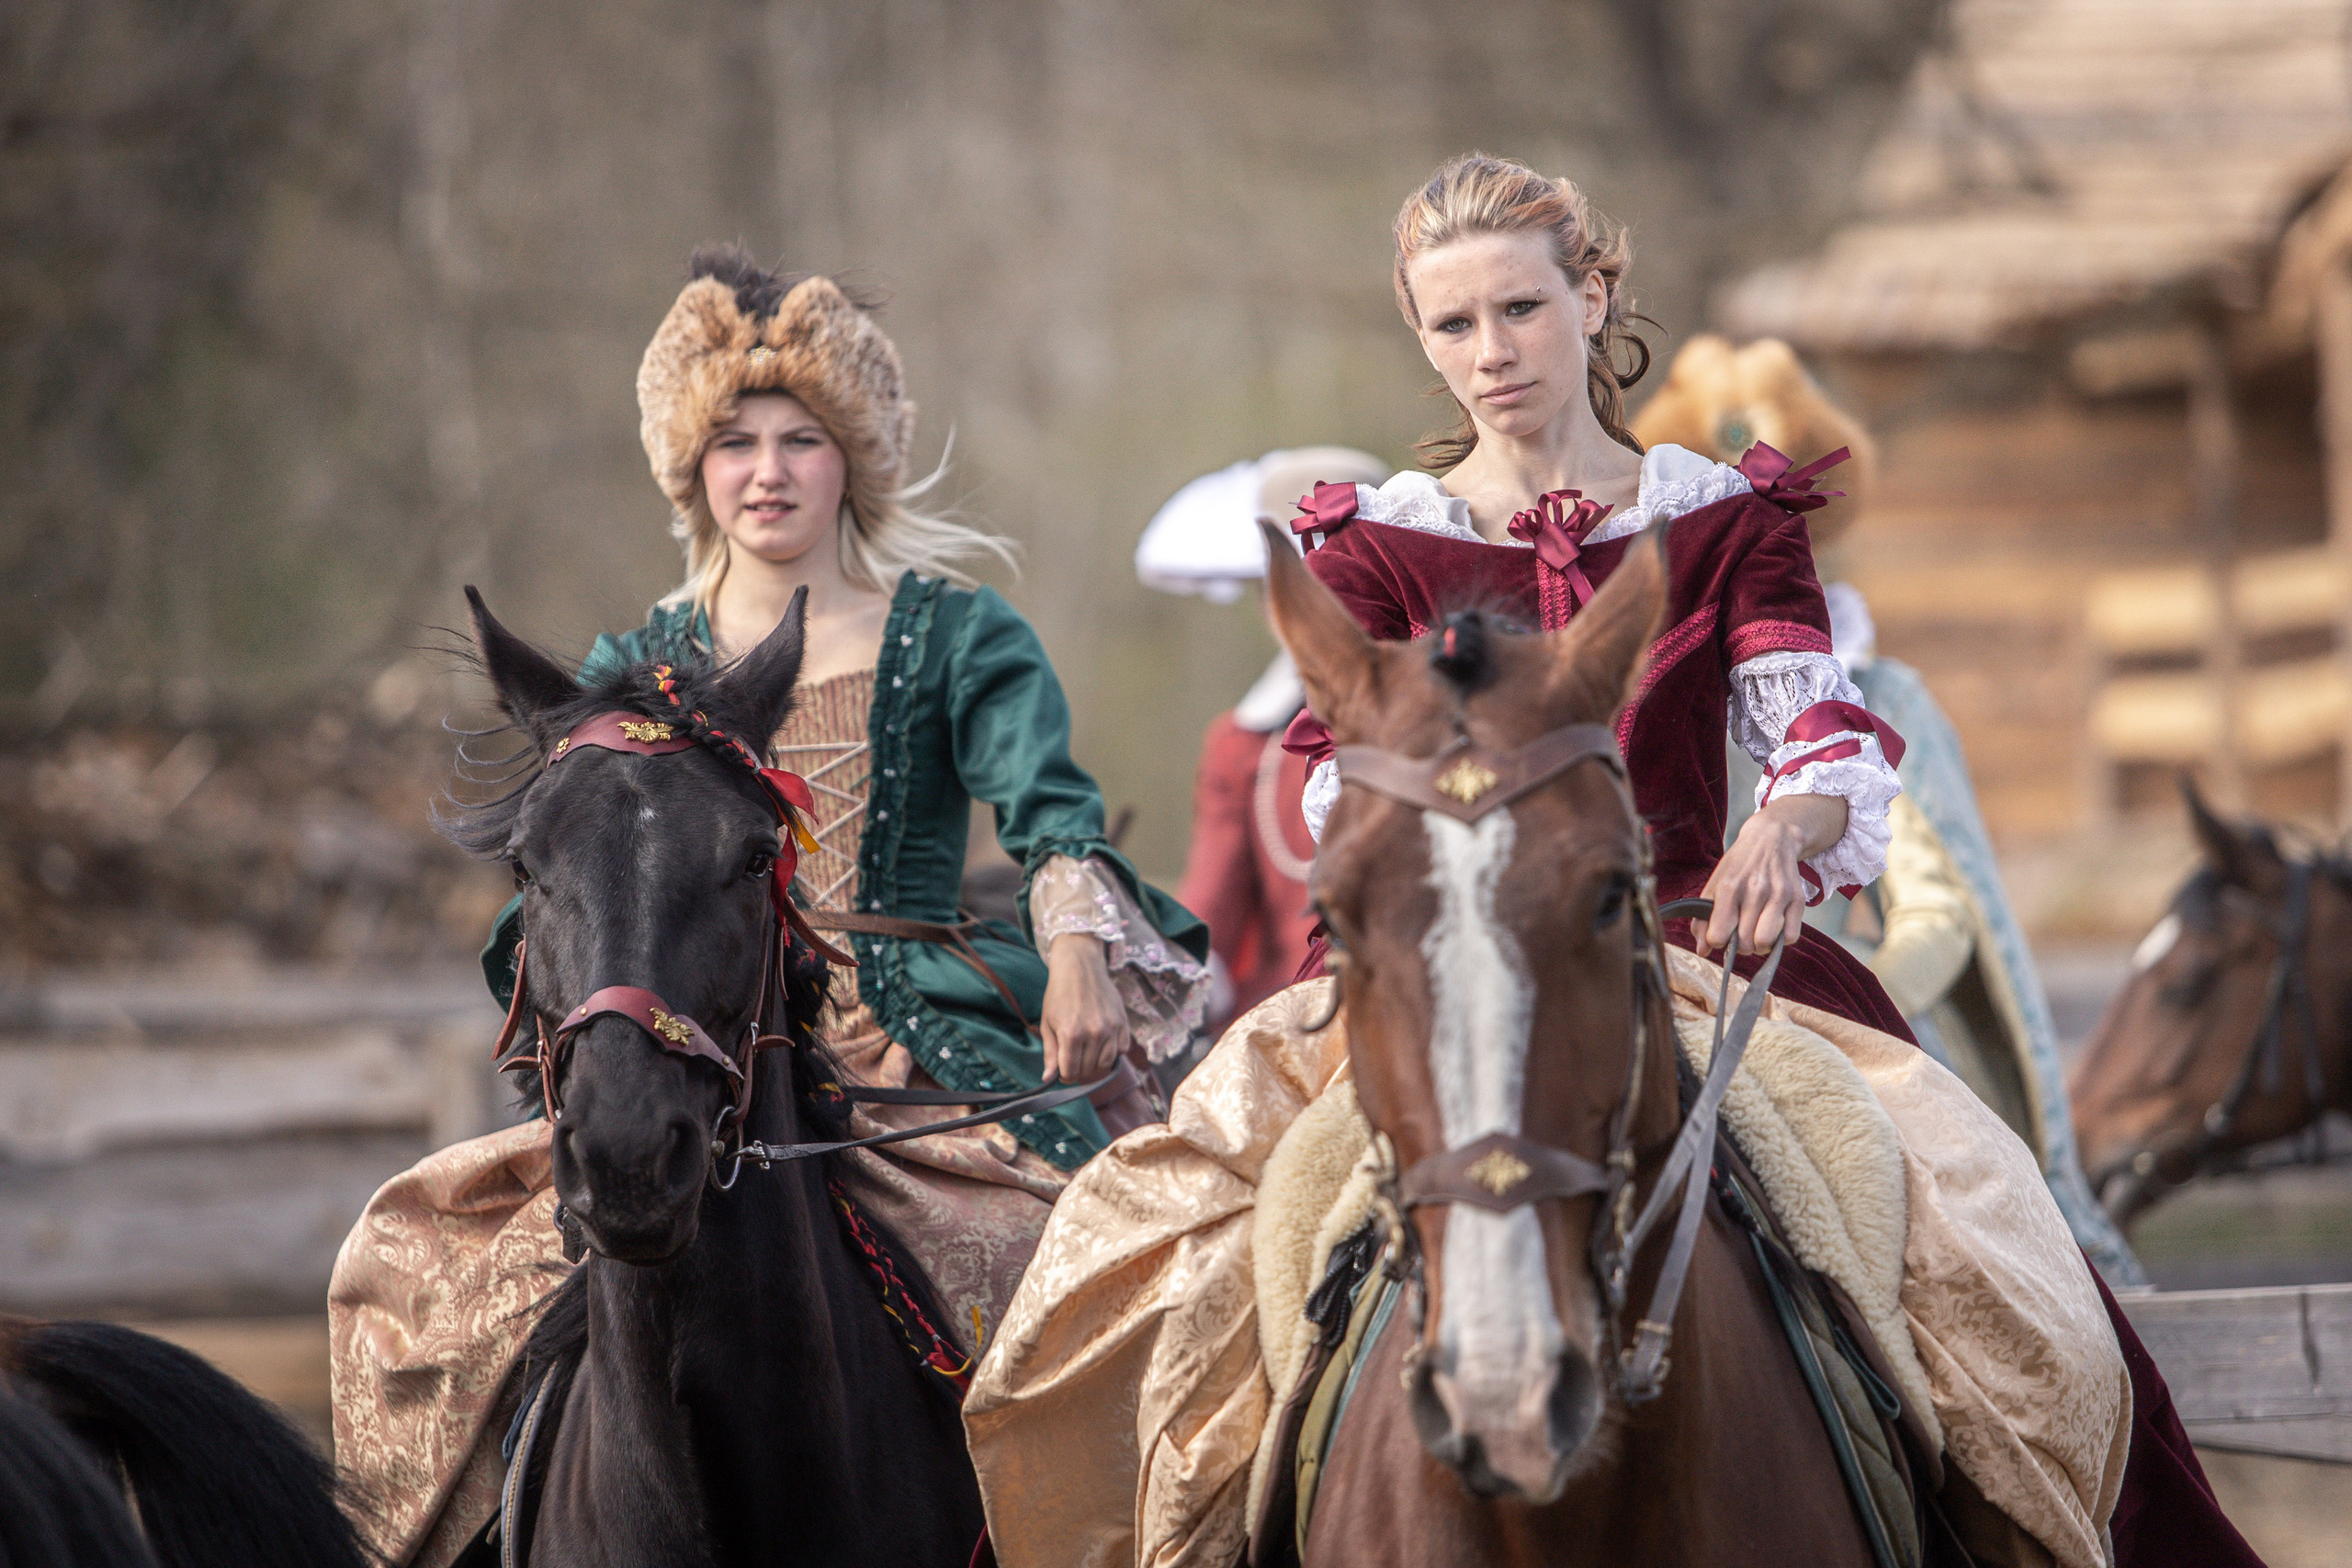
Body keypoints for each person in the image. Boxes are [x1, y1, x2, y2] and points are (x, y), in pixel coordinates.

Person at [967, 157, 2259, 1568]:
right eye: (1454, 323)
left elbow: (1818, 732)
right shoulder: (1376, 544)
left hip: (1704, 961)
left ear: (1593, 297)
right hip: (1432, 977)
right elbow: (1346, 783)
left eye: (1521, 308)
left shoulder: (1726, 521)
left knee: (1982, 1246)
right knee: (1184, 1274)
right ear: (1419, 334)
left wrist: (1787, 825)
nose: (1492, 350)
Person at [329, 245, 1210, 1568]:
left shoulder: (959, 635)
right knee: (414, 1274)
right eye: (734, 442)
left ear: (855, 458)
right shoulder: (639, 665)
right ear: (692, 469)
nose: (768, 470)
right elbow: (576, 880)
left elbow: (1050, 812)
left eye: (802, 438)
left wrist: (1077, 943)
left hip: (923, 1051)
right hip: (685, 1046)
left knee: (1102, 1273)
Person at [1633, 333, 2143, 1286]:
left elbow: (1941, 915)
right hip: (1657, 998)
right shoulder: (1659, 680)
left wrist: (1844, 1006)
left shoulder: (1883, 692)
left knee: (1951, 1263)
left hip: (1830, 1015)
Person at [1139, 447, 1389, 1032]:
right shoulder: (1242, 745)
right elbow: (1207, 927)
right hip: (1285, 1029)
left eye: (1337, 586)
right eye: (1284, 591)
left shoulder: (1446, 718)